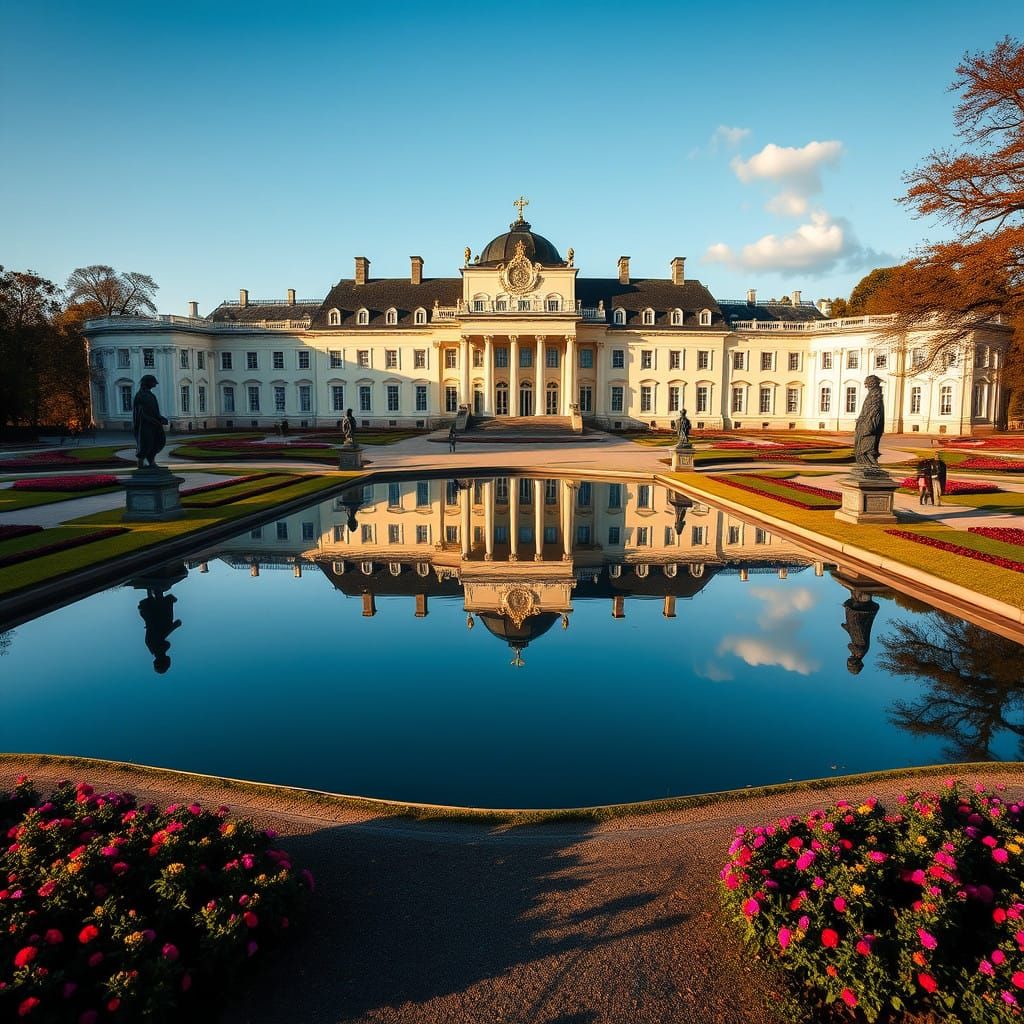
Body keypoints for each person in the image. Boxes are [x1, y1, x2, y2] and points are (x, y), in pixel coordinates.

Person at [131, 374, 169, 470]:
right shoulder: (140, 396)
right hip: (145, 425)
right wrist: (152, 420)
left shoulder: (150, 395)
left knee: (159, 441)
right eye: (153, 382)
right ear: (147, 383)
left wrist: (160, 418)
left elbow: (154, 411)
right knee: (146, 443)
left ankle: (151, 461)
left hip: (154, 425)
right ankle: (140, 463)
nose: (155, 384)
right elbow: (140, 413)